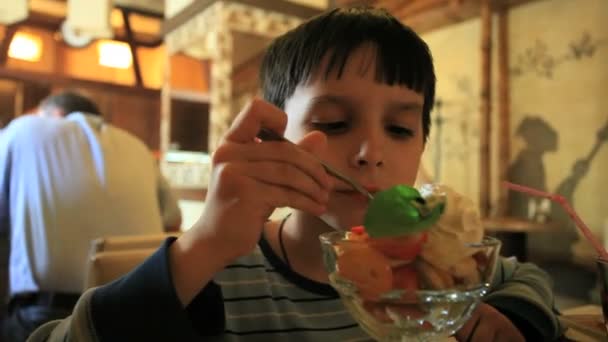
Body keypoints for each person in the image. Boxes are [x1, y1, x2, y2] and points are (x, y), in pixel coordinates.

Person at [29, 7, 562, 342]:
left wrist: (512, 315)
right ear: (271, 132)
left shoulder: (436, 267)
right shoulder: (217, 274)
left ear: (422, 142)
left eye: (399, 129)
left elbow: (527, 279)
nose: (370, 153)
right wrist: (204, 245)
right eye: (333, 122)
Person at [0, 91, 181, 341]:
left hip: (47, 316)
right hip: (138, 309)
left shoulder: (24, 130)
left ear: (56, 116)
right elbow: (173, 223)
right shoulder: (138, 145)